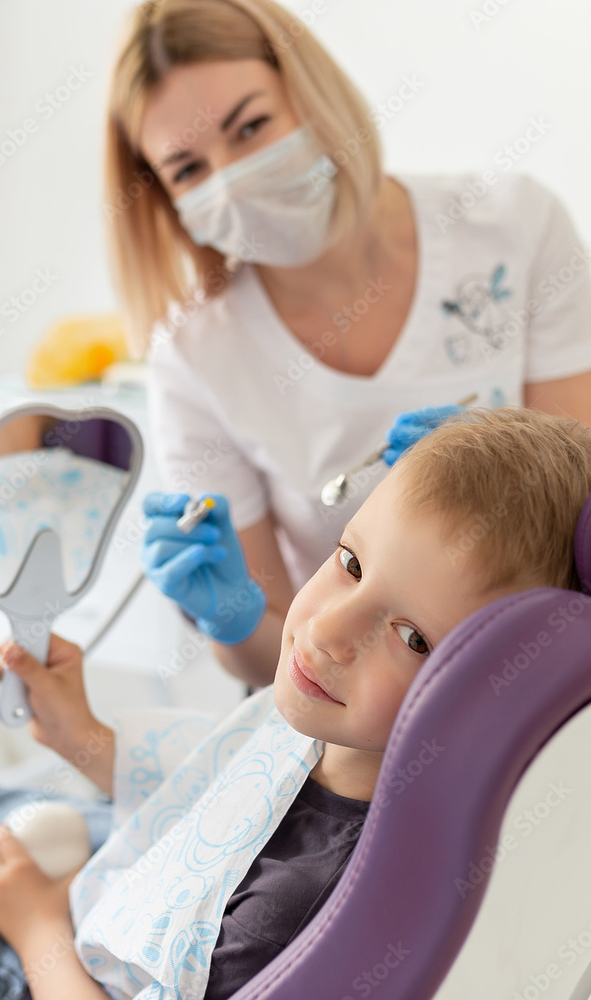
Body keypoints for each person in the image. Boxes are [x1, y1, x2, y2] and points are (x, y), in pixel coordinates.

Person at [0, 406, 584, 1000]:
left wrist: (36, 927)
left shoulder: (297, 905)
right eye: (350, 564)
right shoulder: (335, 727)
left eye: (411, 638)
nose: (325, 631)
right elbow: (211, 786)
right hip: (88, 905)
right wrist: (83, 736)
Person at [103, 0, 591, 687]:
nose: (232, 181)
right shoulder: (194, 356)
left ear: (312, 95)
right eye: (187, 169)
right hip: (347, 713)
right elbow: (274, 658)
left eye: (251, 127)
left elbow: (583, 527)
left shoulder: (514, 227)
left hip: (546, 682)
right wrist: (236, 619)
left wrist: (512, 467)